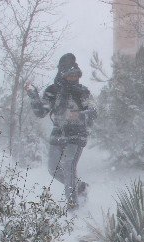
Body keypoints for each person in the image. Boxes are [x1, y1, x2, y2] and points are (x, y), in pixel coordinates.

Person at [25, 53, 96, 208]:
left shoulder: (83, 91)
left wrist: (79, 115)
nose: (73, 78)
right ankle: (80, 188)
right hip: (58, 133)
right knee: (53, 168)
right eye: (69, 75)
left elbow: (93, 111)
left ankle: (72, 205)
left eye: (75, 75)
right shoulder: (53, 90)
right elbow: (41, 111)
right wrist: (33, 95)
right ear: (62, 74)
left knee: (68, 165)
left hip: (77, 134)